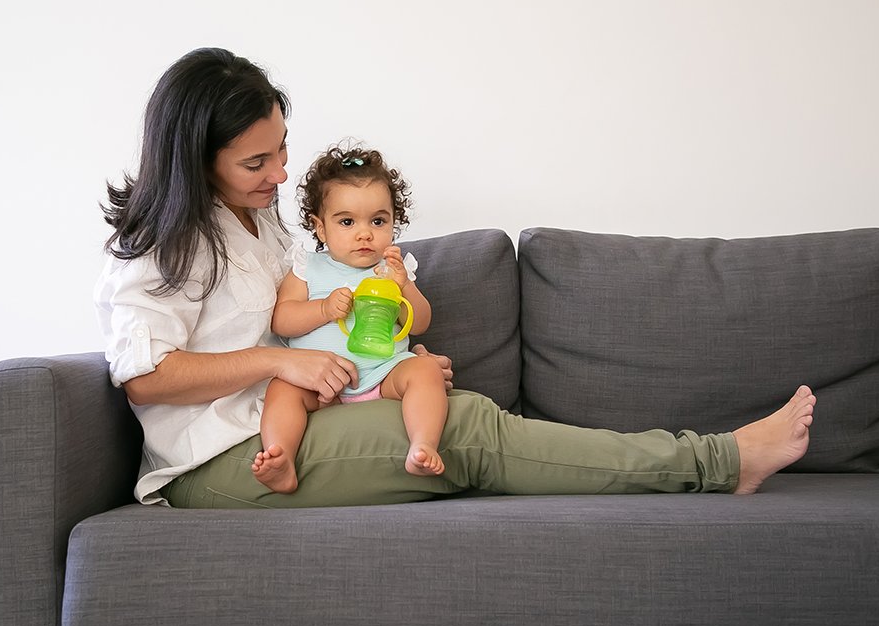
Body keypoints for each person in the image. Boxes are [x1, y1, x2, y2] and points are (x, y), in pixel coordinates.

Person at [94, 47, 816, 510]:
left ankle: (714, 460)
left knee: (445, 401)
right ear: (196, 158)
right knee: (468, 428)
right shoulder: (160, 242)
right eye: (257, 163)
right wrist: (286, 359)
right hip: (220, 462)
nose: (280, 173)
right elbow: (146, 375)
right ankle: (718, 462)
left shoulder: (265, 226)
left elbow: (315, 320)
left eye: (281, 150)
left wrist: (386, 363)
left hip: (292, 418)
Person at [254, 146, 447, 494]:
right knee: (282, 389)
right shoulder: (307, 268)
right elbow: (281, 320)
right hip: (318, 387)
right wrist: (324, 309)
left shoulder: (394, 269)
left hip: (382, 375)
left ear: (393, 222)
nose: (365, 233)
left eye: (378, 221)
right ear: (321, 228)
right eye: (347, 222)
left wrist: (404, 288)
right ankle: (280, 456)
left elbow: (420, 324)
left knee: (425, 371)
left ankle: (423, 444)